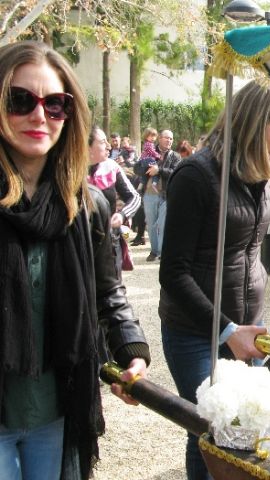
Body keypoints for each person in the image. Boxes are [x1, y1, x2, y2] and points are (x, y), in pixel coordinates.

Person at [0, 40, 150, 480]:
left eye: (55, 104)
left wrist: (132, 350)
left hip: (58, 410)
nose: (38, 115)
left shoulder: (87, 207)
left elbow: (108, 292)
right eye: (19, 99)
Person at [159, 79, 270, 480]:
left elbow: (250, 253)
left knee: (245, 428)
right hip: (195, 330)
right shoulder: (195, 175)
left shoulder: (260, 175)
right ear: (253, 124)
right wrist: (225, 330)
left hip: (244, 325)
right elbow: (174, 273)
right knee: (211, 426)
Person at [87, 126, 141, 276]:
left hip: (110, 242)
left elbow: (135, 197)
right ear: (88, 146)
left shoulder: (112, 167)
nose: (109, 146)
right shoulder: (69, 170)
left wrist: (122, 215)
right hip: (79, 245)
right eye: (103, 142)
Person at [135, 128, 181, 262]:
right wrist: (145, 168)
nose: (169, 141)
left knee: (162, 224)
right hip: (149, 194)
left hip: (166, 194)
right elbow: (136, 169)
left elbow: (175, 172)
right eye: (166, 138)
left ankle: (161, 252)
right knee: (151, 223)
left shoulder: (175, 156)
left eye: (171, 138)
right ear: (159, 138)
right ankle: (154, 251)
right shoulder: (147, 151)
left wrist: (159, 170)